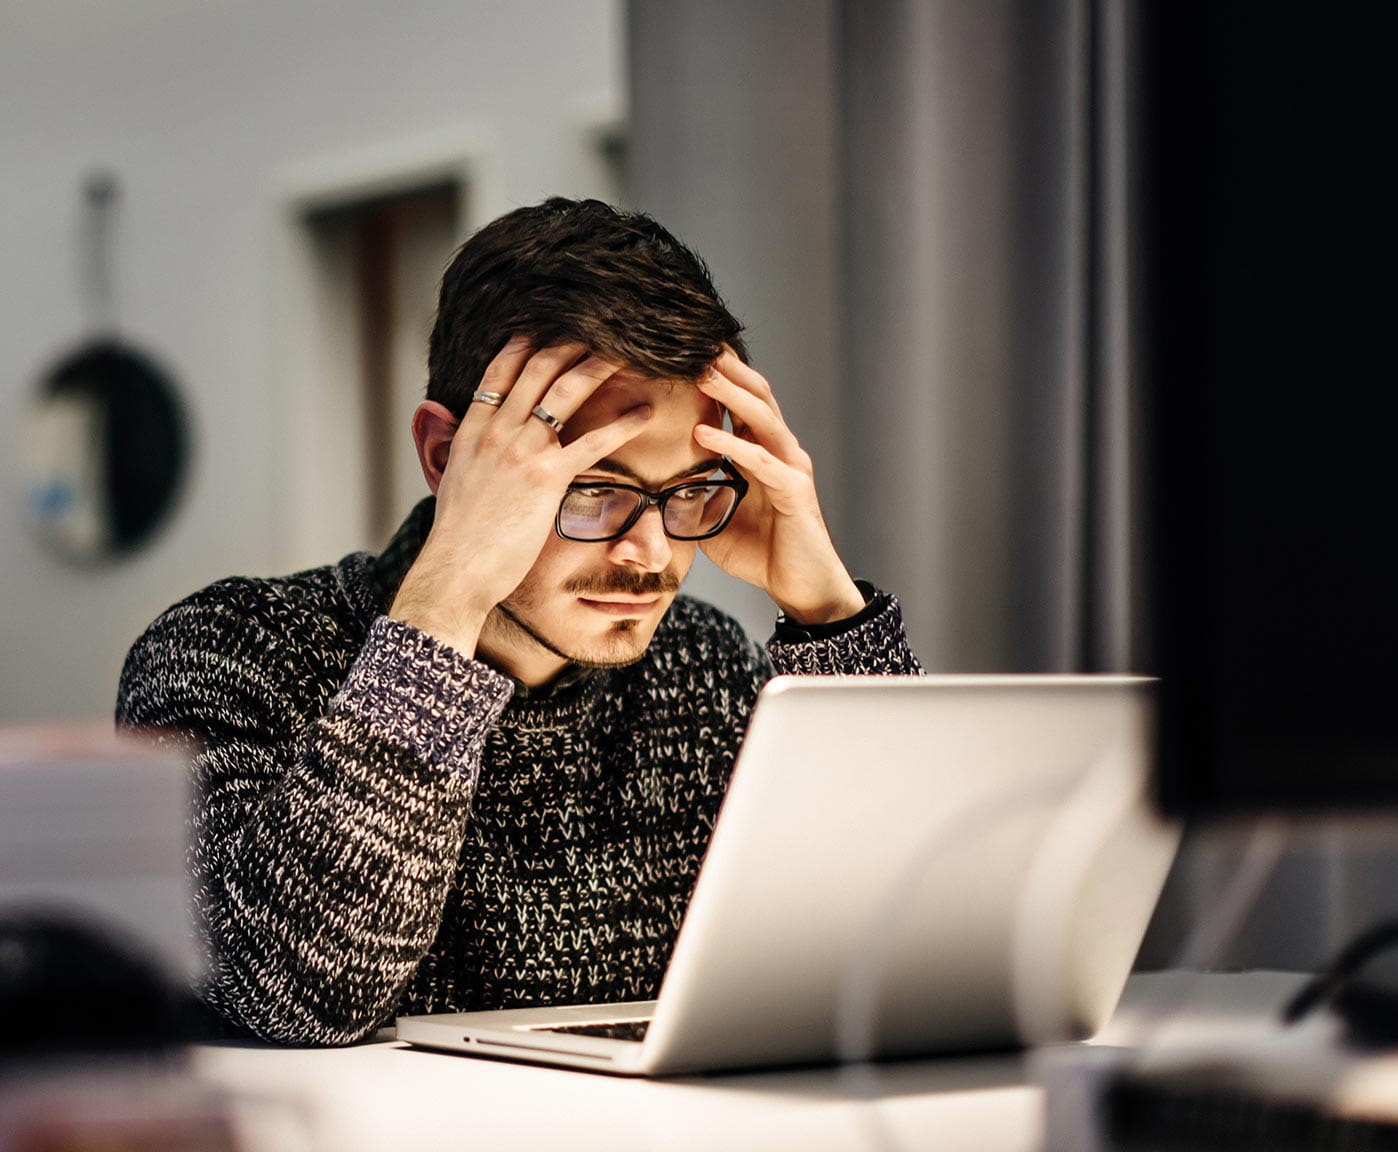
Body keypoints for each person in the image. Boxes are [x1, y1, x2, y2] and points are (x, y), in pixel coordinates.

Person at [116, 198, 920, 1046]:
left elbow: (909, 944)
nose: (650, 552)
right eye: (594, 487)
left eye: (687, 490)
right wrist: (451, 591)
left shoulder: (707, 668)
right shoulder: (226, 652)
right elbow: (299, 999)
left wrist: (832, 615)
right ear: (444, 457)